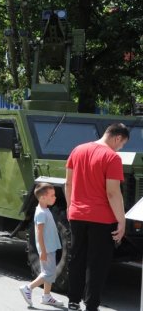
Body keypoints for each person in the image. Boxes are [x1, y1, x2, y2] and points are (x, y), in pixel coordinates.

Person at [65, 123, 128, 311]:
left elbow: (68, 183)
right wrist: (122, 220)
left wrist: (71, 208)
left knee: (77, 258)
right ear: (117, 138)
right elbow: (112, 193)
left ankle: (73, 301)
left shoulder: (77, 150)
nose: (121, 148)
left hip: (77, 214)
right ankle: (91, 305)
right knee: (97, 263)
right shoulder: (112, 157)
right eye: (122, 144)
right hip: (101, 218)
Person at [19, 183, 64, 307]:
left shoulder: (45, 209)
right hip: (47, 248)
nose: (55, 197)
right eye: (52, 195)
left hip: (50, 246)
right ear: (43, 198)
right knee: (48, 273)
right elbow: (39, 233)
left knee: (49, 271)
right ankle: (28, 288)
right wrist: (43, 251)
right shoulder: (41, 213)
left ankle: (46, 296)